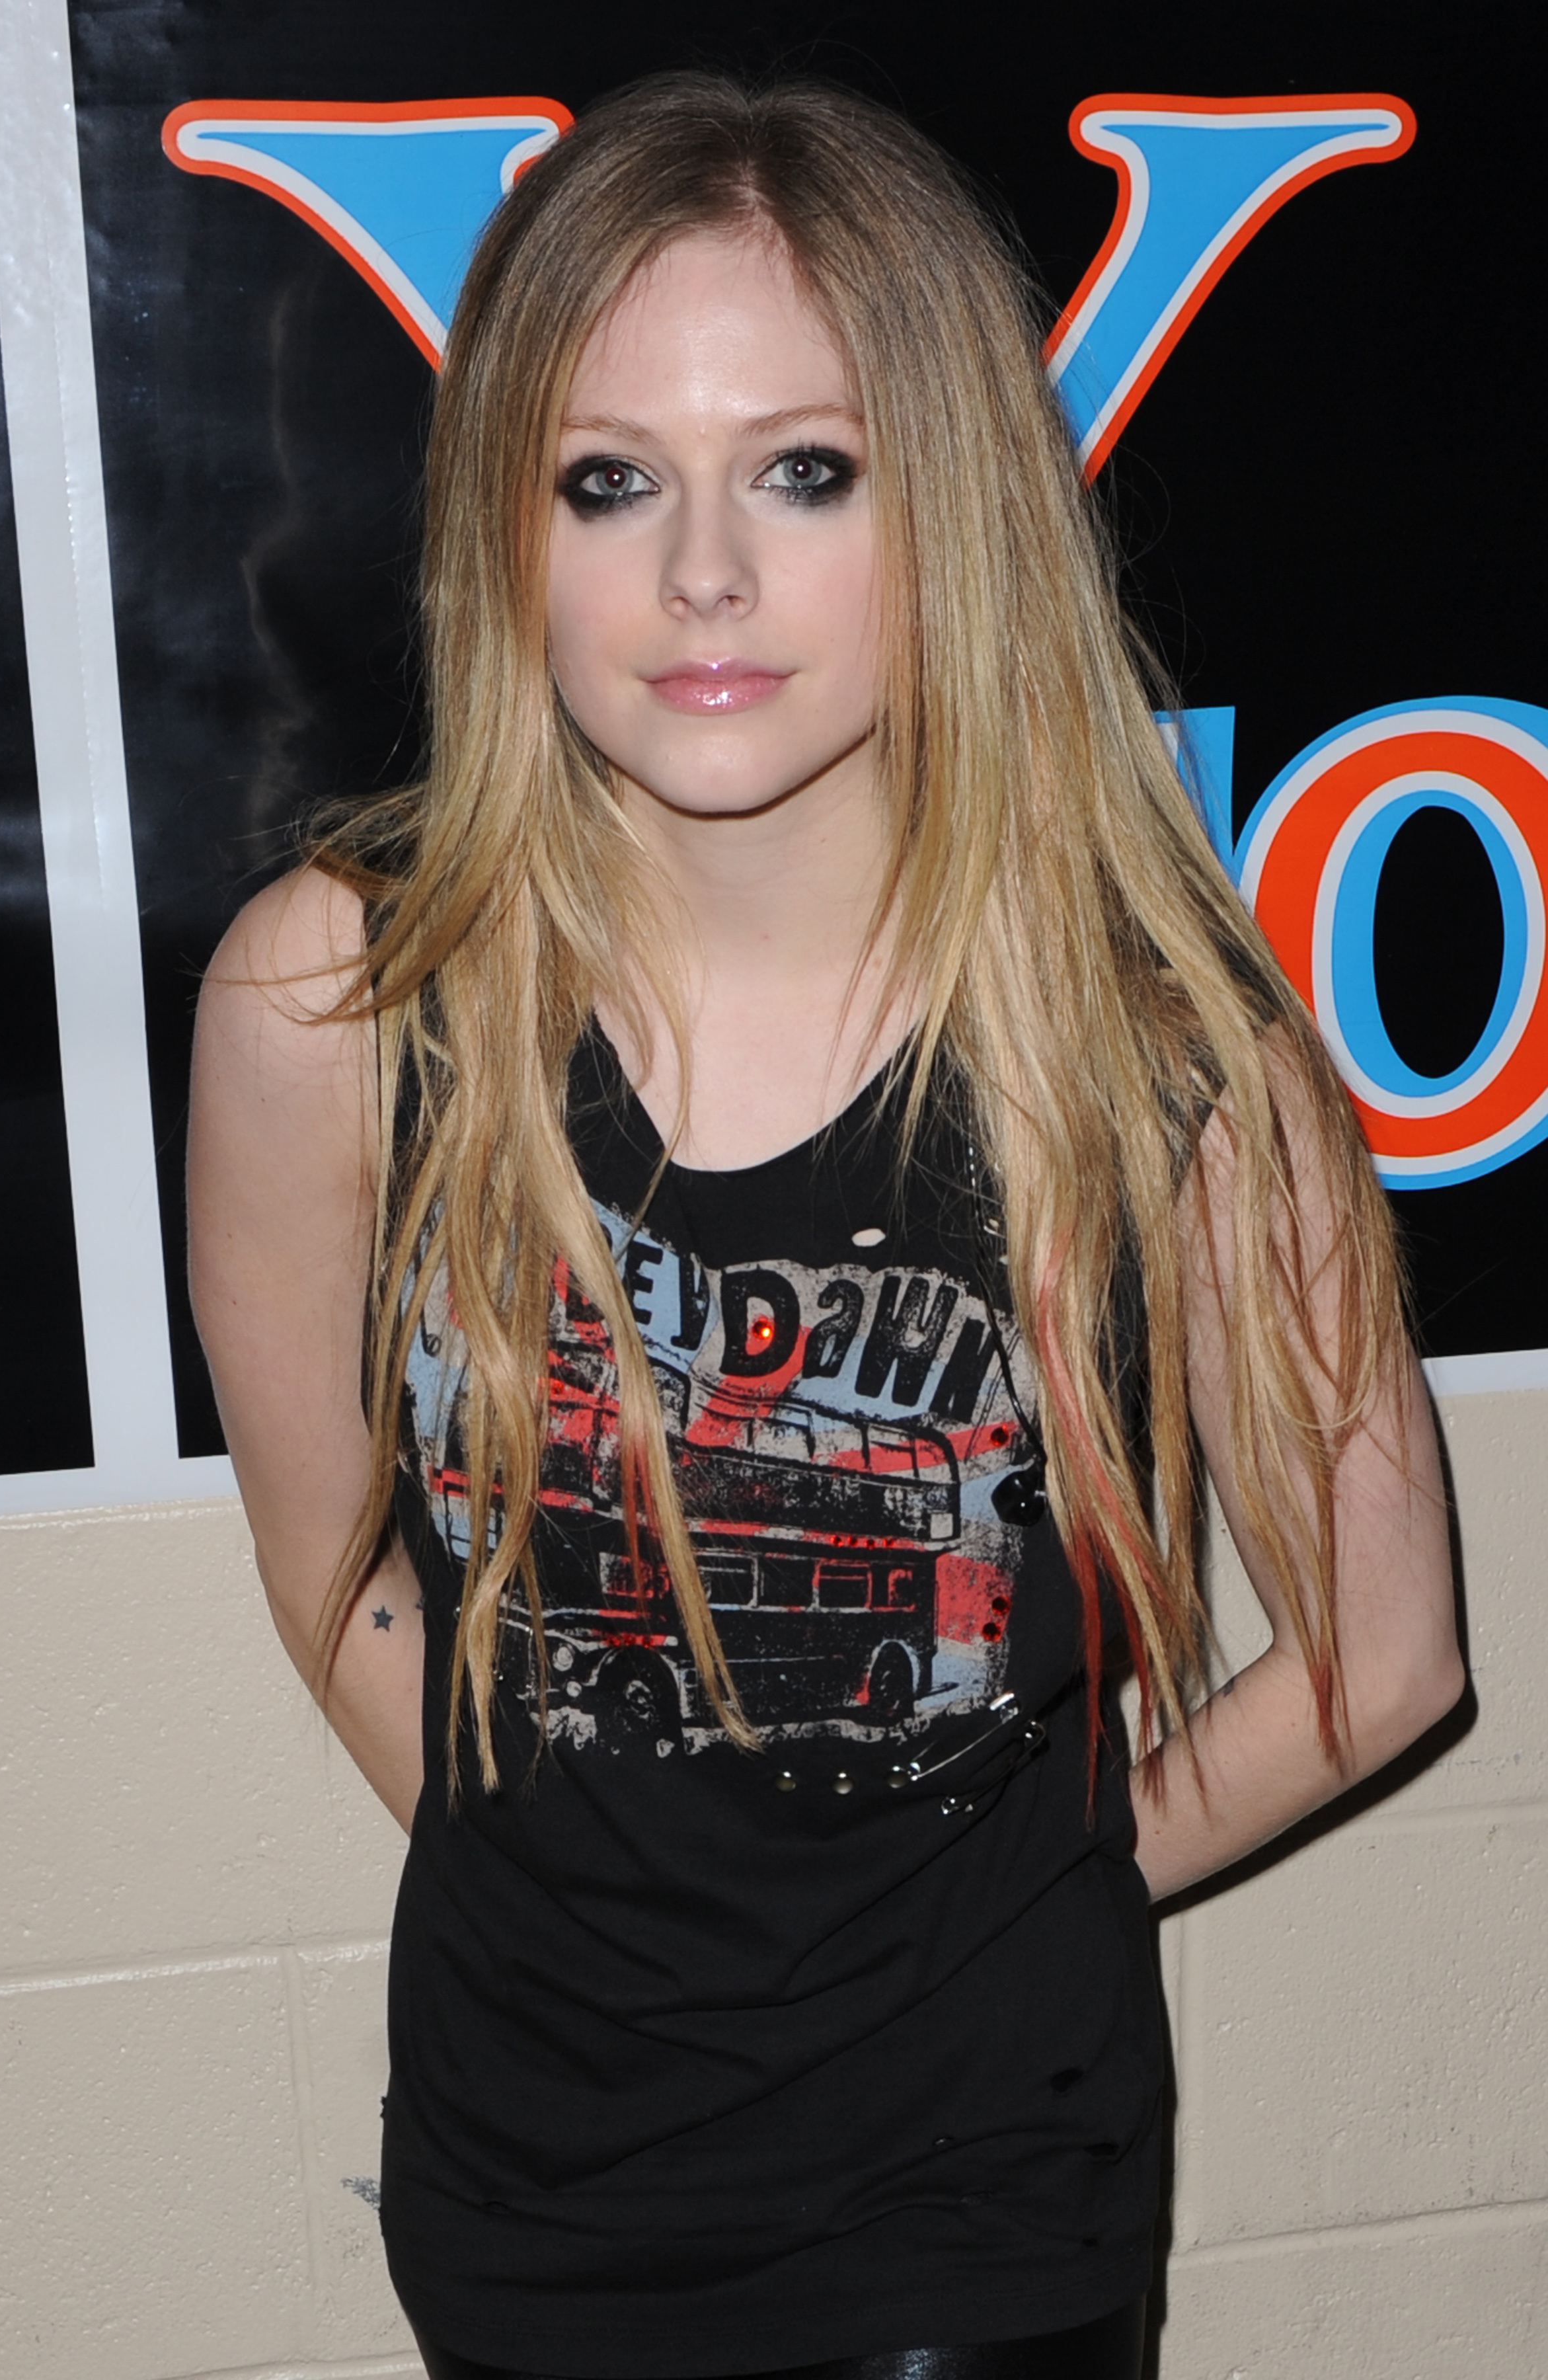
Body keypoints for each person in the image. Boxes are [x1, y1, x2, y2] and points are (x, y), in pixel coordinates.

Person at [188, 72, 1463, 2380]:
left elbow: (1388, 1657)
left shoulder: (1163, 1050)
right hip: (516, 2205)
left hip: (979, 2224)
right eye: (609, 479)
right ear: (508, 532)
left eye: (804, 469)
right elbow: (325, 1565)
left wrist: (1003, 1911)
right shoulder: (331, 1006)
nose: (703, 572)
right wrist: (574, 1901)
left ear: (945, 502)